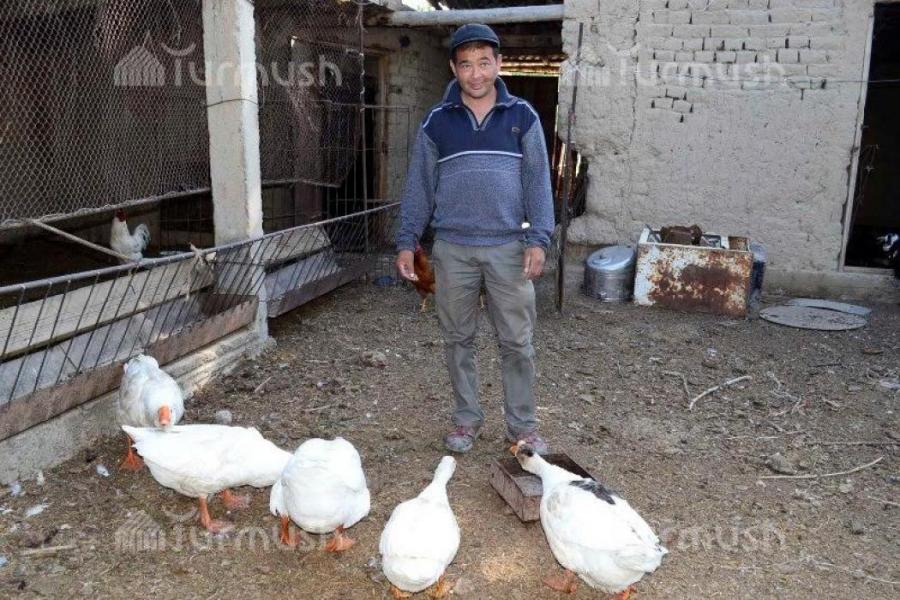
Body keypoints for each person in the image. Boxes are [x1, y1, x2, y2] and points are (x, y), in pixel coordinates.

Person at [395, 23, 555, 455]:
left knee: (516, 341)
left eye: (484, 63)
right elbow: (419, 186)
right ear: (454, 68)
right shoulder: (437, 122)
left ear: (499, 64)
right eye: (466, 64)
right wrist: (407, 240)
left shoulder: (522, 116)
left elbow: (538, 181)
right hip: (454, 249)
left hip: (509, 247)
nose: (476, 73)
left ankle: (522, 427)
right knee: (457, 338)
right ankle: (467, 420)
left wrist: (539, 238)